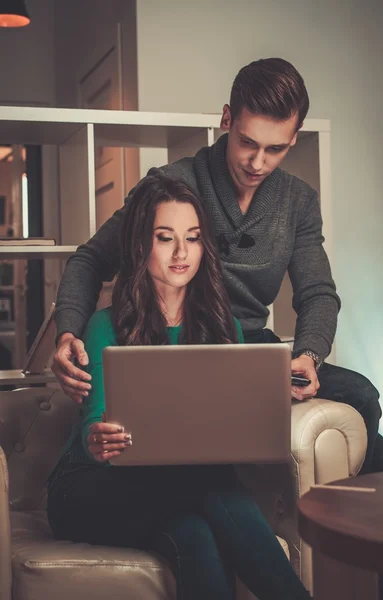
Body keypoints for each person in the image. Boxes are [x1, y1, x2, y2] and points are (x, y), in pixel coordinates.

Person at [52, 57, 381, 473]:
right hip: (178, 343)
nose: (257, 163)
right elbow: (91, 258)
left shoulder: (298, 201)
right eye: (247, 142)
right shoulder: (169, 185)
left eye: (275, 148)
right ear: (227, 119)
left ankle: (345, 526)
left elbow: (318, 293)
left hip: (248, 348)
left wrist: (307, 357)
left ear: (295, 138)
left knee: (364, 396)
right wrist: (66, 333)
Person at [47, 174, 312, 600]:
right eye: (166, 238)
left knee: (197, 536)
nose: (182, 253)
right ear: (139, 244)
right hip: (90, 488)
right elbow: (94, 420)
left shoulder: (224, 327)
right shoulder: (105, 324)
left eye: (193, 238)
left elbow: (237, 417)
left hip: (178, 491)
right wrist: (100, 438)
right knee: (208, 487)